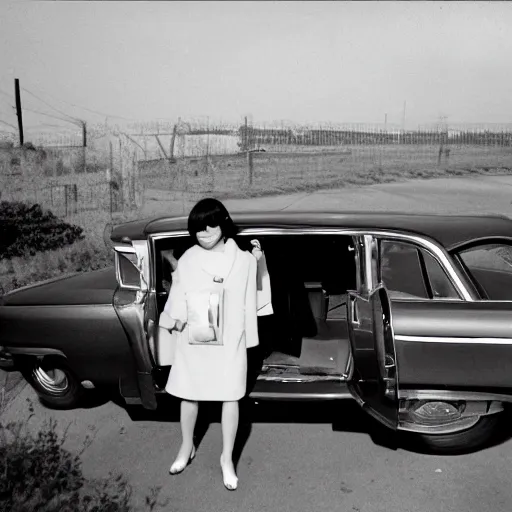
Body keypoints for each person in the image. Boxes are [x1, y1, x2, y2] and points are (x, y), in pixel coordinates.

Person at [159, 198, 267, 491]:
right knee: (188, 394)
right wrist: (173, 320)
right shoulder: (189, 259)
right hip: (195, 336)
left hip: (231, 337)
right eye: (198, 228)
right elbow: (178, 294)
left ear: (224, 225)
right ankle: (186, 446)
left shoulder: (243, 259)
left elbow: (252, 299)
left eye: (211, 225)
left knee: (231, 396)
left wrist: (259, 261)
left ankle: (227, 458)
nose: (204, 232)